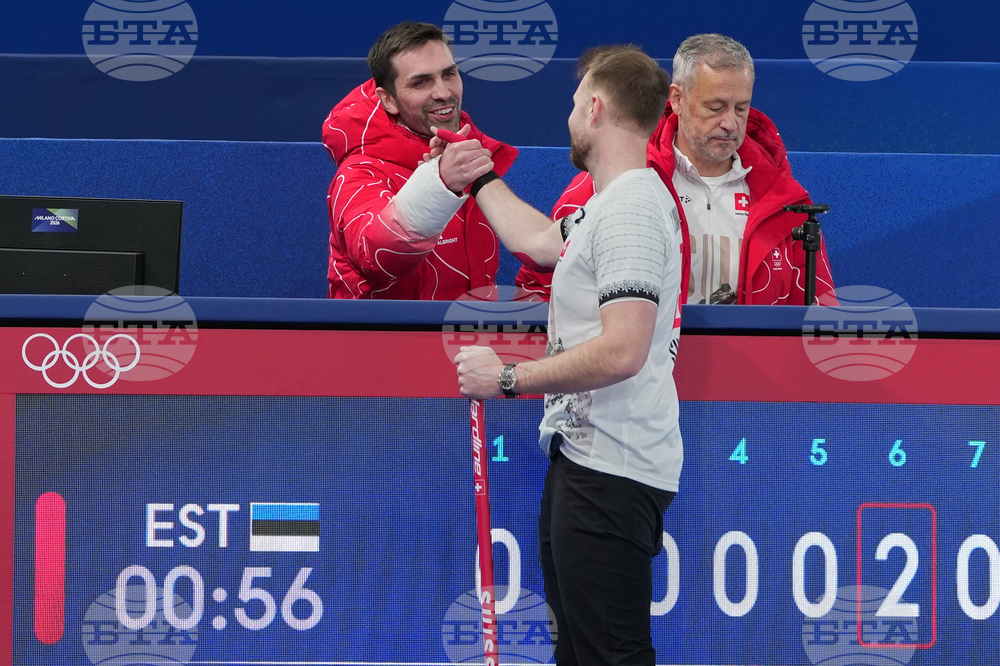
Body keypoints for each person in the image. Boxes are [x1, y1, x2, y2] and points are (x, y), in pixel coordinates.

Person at [451, 45, 683, 666]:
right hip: (586, 459)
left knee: (610, 652)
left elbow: (624, 349)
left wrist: (505, 378)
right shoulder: (611, 205)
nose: (571, 114)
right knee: (580, 652)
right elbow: (534, 239)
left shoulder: (631, 209)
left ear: (597, 107)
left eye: (576, 101)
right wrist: (477, 176)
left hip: (613, 466)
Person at [517, 33, 835, 305]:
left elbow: (820, 314)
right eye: (715, 107)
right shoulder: (610, 181)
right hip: (639, 373)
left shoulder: (785, 200)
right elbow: (536, 288)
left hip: (750, 374)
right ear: (678, 99)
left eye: (741, 108)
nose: (730, 123)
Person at [322, 22, 517, 299]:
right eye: (420, 82)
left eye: (449, 74)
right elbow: (378, 256)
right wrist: (440, 185)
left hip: (467, 337)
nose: (443, 92)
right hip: (385, 340)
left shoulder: (468, 154)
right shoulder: (359, 172)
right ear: (388, 100)